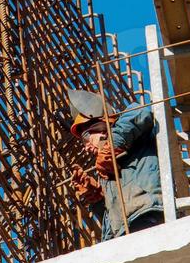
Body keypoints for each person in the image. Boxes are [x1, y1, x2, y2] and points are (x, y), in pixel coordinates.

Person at [67, 88, 164, 240]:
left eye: (86, 139)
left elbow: (142, 112)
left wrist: (112, 144)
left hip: (146, 217)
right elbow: (112, 219)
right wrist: (97, 198)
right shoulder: (106, 169)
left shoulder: (133, 136)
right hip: (121, 235)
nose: (86, 147)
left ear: (101, 129)